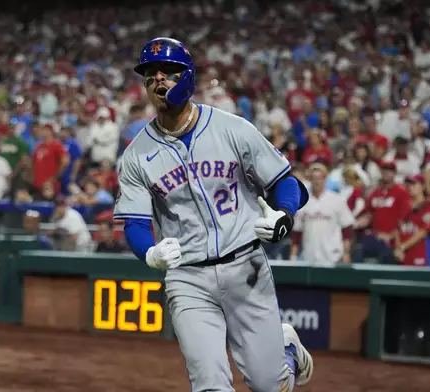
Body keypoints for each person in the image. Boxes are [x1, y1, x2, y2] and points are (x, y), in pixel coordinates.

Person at [113, 37, 313, 392]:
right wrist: (149, 252)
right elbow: (135, 222)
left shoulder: (232, 129)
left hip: (246, 268)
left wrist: (284, 215)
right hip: (188, 279)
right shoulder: (135, 156)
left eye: (168, 73)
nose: (158, 80)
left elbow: (285, 181)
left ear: (187, 77)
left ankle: (287, 353)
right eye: (150, 76)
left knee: (269, 385)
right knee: (209, 386)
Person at [290, 162, 355, 264]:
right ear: (310, 180)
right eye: (314, 178)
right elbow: (297, 232)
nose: (317, 182)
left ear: (325, 179)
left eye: (320, 178)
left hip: (333, 256)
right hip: (309, 257)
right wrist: (293, 255)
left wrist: (346, 253)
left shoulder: (337, 200)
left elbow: (347, 229)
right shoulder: (302, 201)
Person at [395, 174, 430, 266]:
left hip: (422, 256)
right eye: (409, 184)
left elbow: (423, 231)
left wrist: (403, 246)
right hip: (404, 256)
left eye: (414, 184)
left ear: (423, 186)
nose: (410, 187)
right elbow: (397, 230)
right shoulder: (403, 206)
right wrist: (397, 249)